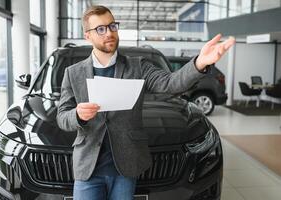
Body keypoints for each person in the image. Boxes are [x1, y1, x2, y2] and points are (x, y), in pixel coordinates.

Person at [56, 5, 235, 200]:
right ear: (87, 35)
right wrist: (77, 115)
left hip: (125, 167)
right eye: (100, 29)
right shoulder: (73, 73)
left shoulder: (138, 67)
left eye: (112, 26)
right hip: (88, 167)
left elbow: (171, 83)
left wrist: (200, 63)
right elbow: (62, 117)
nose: (109, 33)